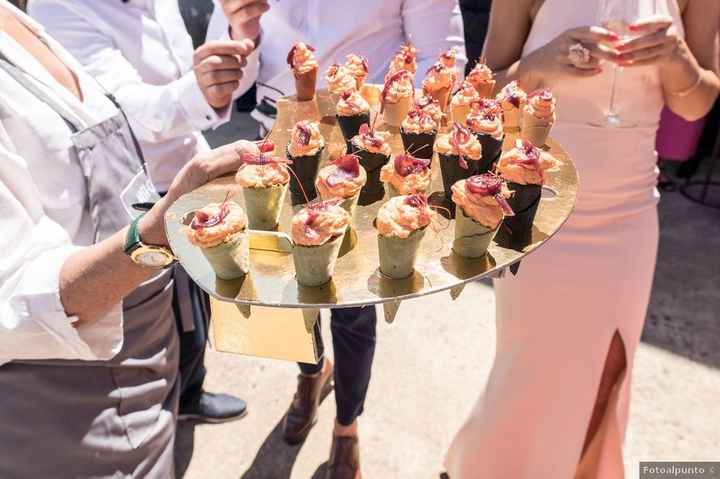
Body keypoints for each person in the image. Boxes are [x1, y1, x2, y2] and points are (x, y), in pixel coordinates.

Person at [446, 0, 719, 477]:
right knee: (530, 371)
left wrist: (677, 59)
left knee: (609, 372)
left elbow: (696, 102)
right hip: (537, 208)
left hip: (628, 214)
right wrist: (541, 62)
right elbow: (484, 88)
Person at [0, 1, 256, 476]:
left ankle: (187, 394)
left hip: (145, 328)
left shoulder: (18, 21)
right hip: (73, 396)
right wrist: (154, 235)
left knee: (191, 335)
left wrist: (236, 41)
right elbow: (8, 302)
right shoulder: (60, 9)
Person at [209, 1, 464, 477]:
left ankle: (347, 422)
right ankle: (309, 375)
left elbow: (440, 58)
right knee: (282, 285)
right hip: (277, 144)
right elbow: (230, 85)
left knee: (352, 306)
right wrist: (241, 29)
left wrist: (409, 140)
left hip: (363, 157)